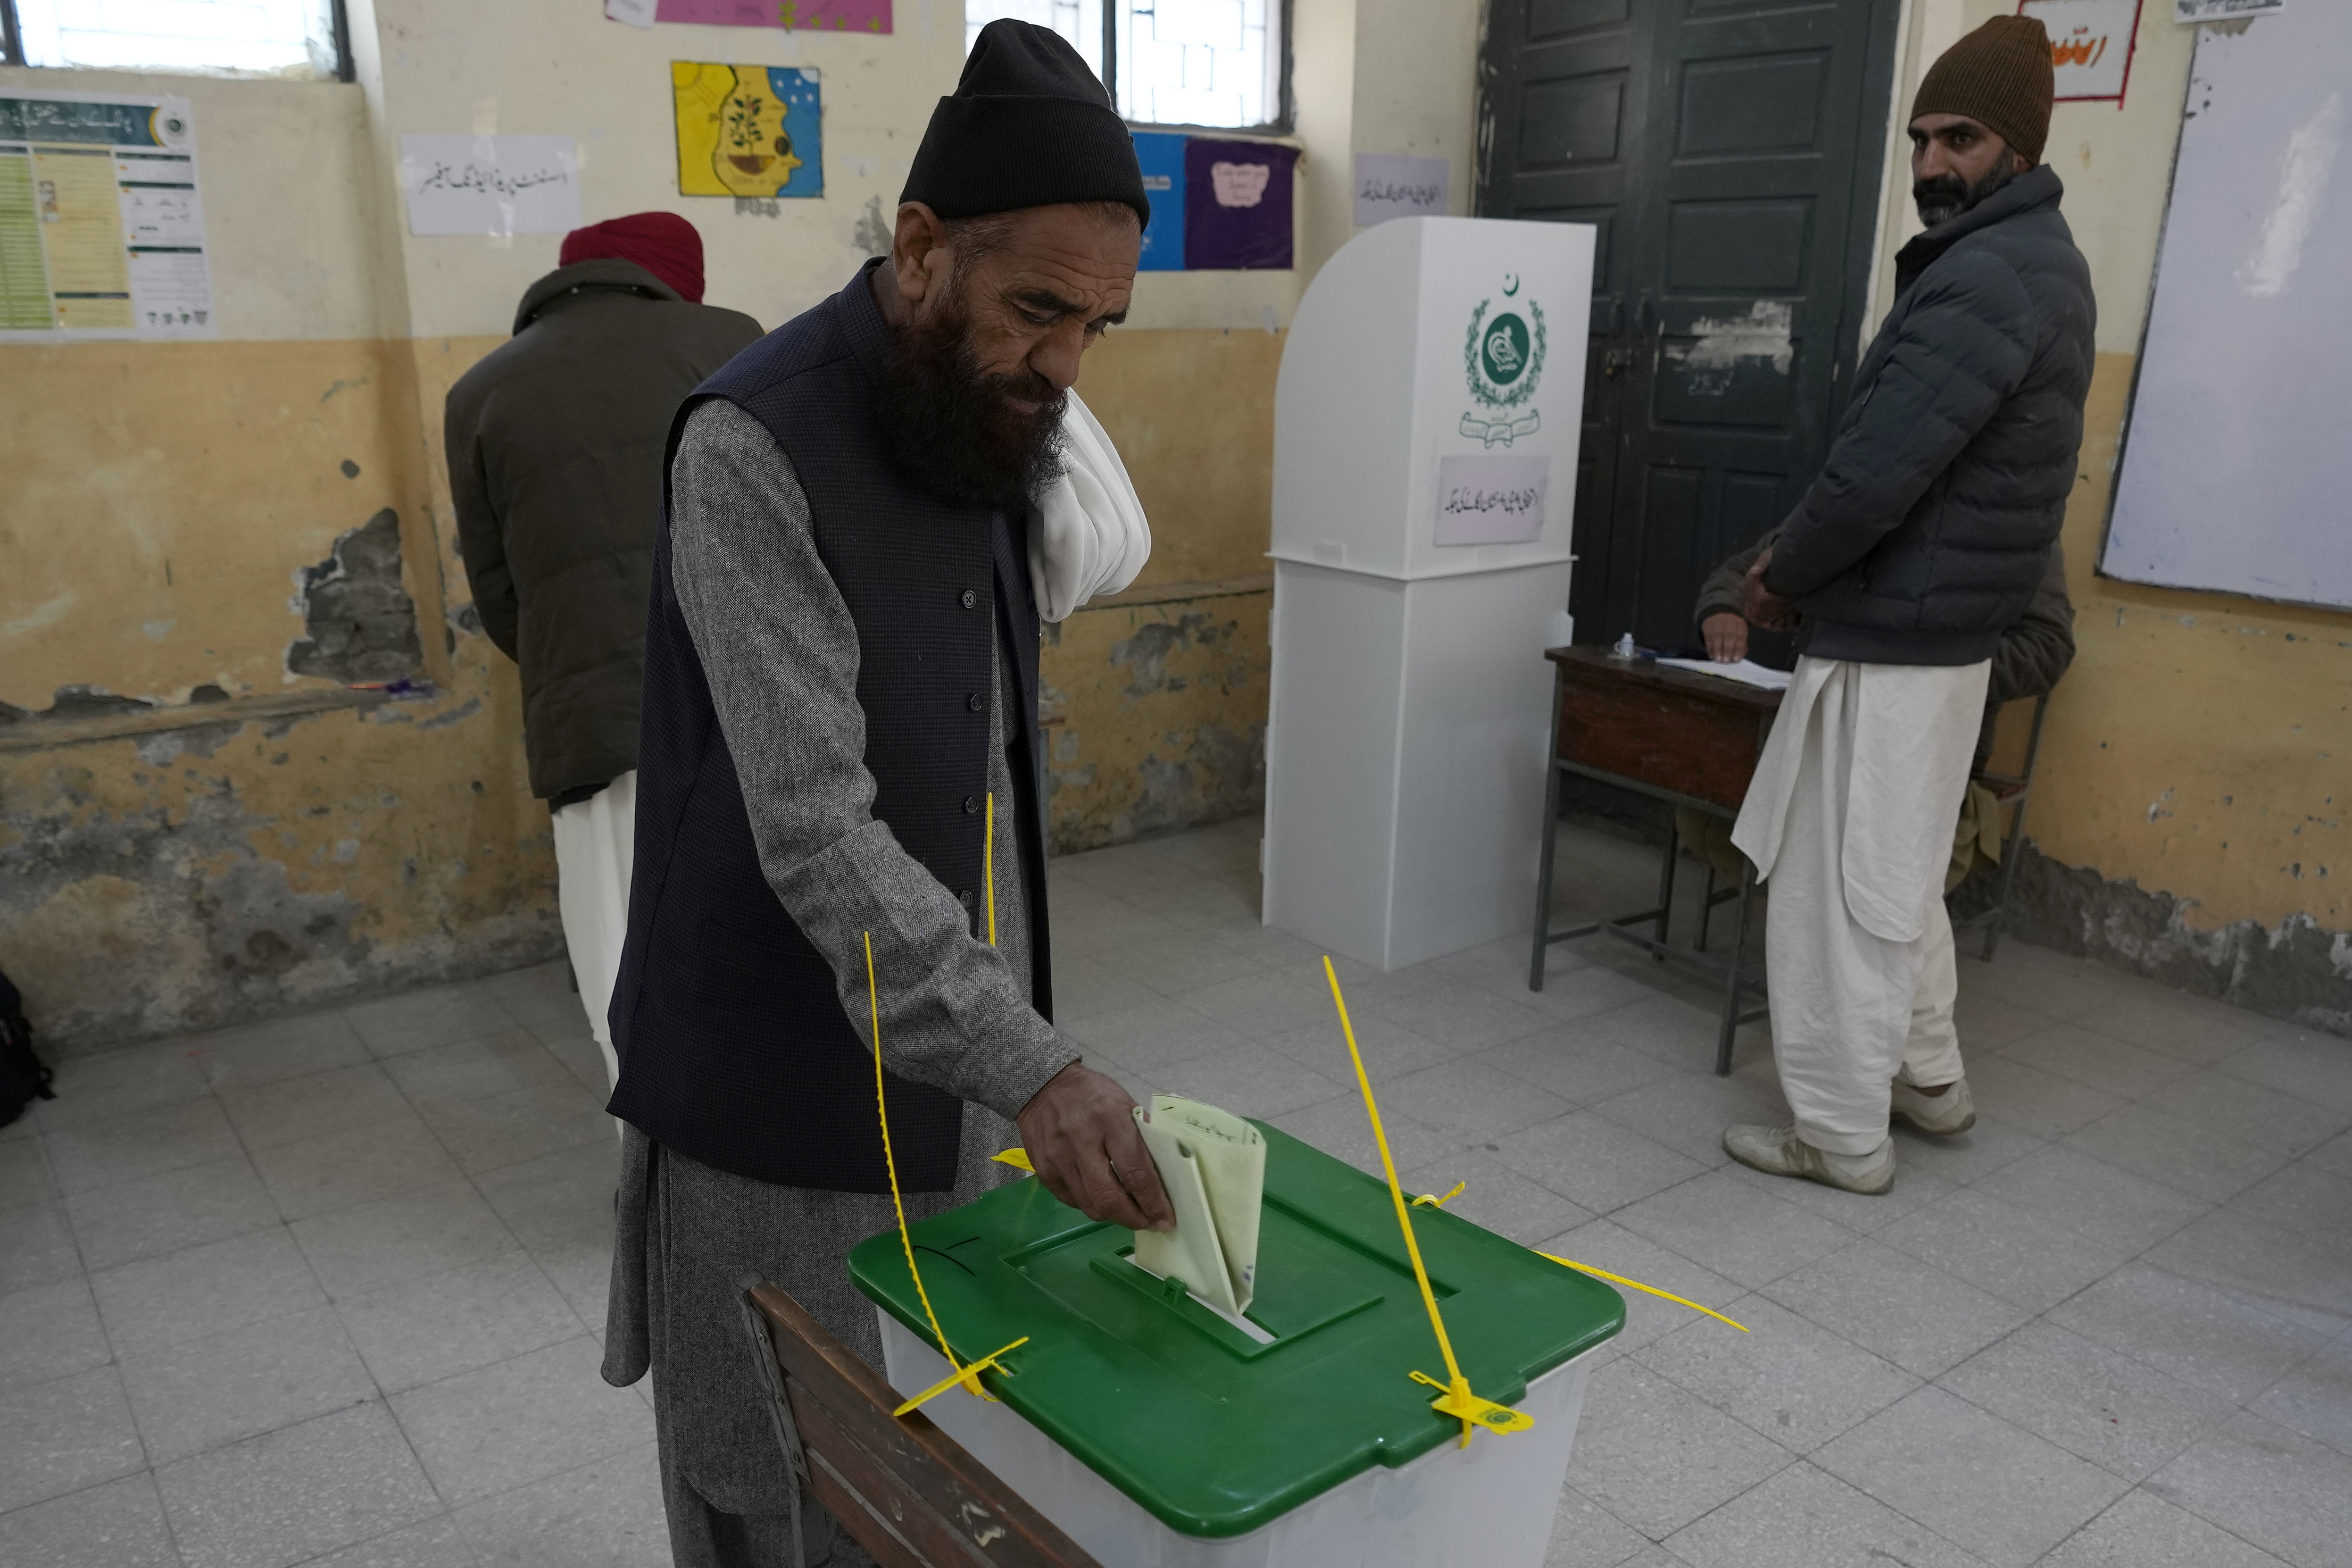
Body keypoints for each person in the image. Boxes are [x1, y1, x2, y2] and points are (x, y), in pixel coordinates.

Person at [596, 24, 1171, 1567]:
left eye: (1095, 327)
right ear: (918, 247)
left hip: (933, 1056)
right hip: (765, 1080)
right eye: (1036, 311)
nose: (1061, 366)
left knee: (917, 1460)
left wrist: (1000, 1041)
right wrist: (1031, 1060)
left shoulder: (982, 410)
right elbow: (812, 824)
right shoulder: (750, 441)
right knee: (770, 1470)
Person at [1718, 14, 2095, 1196]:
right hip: (1940, 644)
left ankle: (1838, 1134)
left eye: (1963, 138)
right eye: (1923, 136)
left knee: (1842, 899)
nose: (1933, 163)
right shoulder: (2045, 266)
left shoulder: (1985, 275)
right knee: (1896, 879)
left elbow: (1875, 474)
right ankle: (1931, 1080)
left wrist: (1777, 580)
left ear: (2019, 150)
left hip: (1897, 644)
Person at [446, 213, 761, 1091]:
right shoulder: (730, 341)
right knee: (748, 920)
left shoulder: (477, 391)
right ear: (671, 274)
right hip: (734, 696)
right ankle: (762, 1147)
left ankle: (648, 1147)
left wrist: (572, 665)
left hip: (584, 717)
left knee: (617, 935)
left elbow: (498, 593)